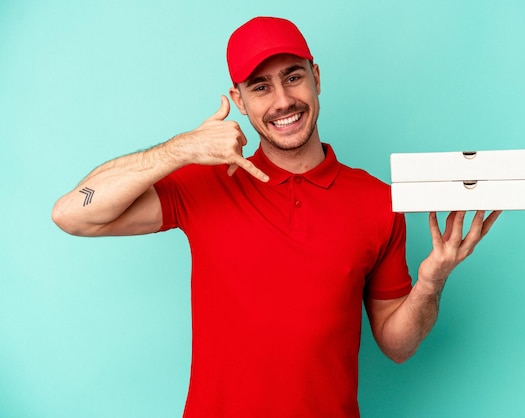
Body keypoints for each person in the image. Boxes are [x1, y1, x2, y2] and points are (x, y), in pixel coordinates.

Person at [52, 16, 500, 418]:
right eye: (261, 87)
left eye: (293, 77)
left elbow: (397, 346)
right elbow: (73, 214)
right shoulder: (205, 183)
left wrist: (431, 282)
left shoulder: (378, 201)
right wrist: (181, 148)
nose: (283, 101)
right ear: (239, 101)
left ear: (316, 78)